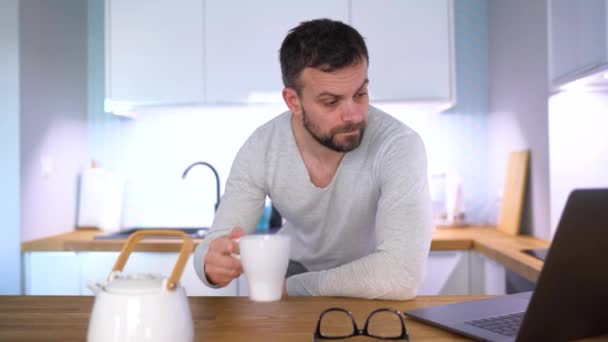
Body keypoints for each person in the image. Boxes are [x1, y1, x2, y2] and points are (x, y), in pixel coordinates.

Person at [193, 18, 433, 300]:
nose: (354, 115)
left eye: (361, 94)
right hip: (294, 270)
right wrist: (211, 265)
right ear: (293, 101)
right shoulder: (261, 148)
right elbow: (215, 243)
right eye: (331, 102)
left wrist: (295, 287)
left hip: (371, 283)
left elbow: (400, 275)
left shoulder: (398, 145)